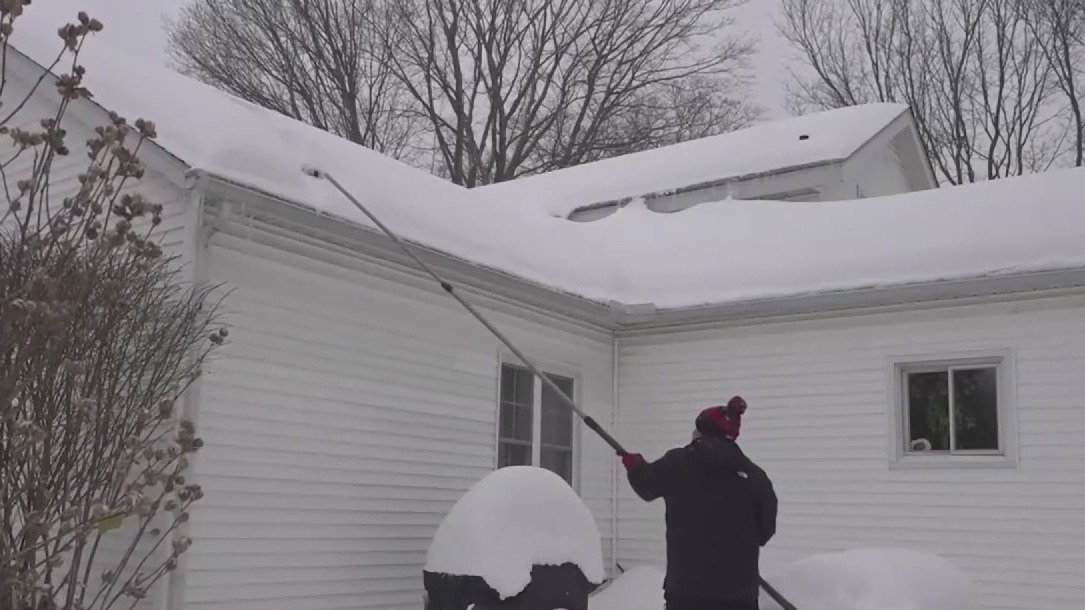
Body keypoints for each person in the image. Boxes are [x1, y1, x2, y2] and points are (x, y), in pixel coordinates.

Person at [620, 396, 778, 610]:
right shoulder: (756, 477)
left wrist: (635, 466)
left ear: (702, 431)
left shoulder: (677, 464)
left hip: (687, 596)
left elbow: (647, 486)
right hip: (739, 597)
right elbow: (766, 531)